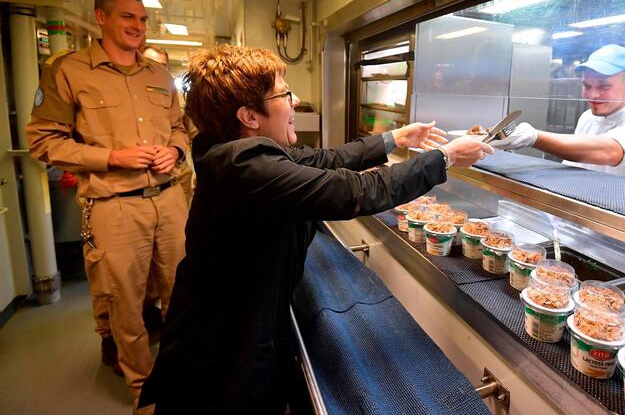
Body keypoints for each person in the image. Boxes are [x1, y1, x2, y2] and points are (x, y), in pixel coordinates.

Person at [138, 44, 493, 413]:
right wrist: (447, 157)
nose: (295, 102)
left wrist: (396, 138)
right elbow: (355, 192)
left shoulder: (237, 147)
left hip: (236, 325)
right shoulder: (243, 167)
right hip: (224, 345)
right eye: (283, 93)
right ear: (248, 115)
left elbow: (324, 159)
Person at [26, 0, 189, 408]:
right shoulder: (69, 71)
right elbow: (44, 142)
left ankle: (183, 375)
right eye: (127, 17)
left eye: (142, 18)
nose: (138, 26)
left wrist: (174, 151)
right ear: (101, 17)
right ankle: (145, 390)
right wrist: (112, 156)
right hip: (115, 206)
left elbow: (179, 128)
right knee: (126, 304)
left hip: (171, 200)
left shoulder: (159, 75)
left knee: (183, 293)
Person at [493, 44, 625, 186]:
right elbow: (573, 169)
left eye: (604, 86)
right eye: (587, 86)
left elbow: (609, 151)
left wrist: (533, 137)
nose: (591, 95)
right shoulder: (589, 118)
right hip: (592, 221)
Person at [141, 45, 196, 205]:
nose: (156, 68)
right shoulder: (128, 95)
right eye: (150, 62)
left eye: (162, 65)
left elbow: (193, 134)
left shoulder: (178, 97)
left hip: (177, 175)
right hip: (136, 180)